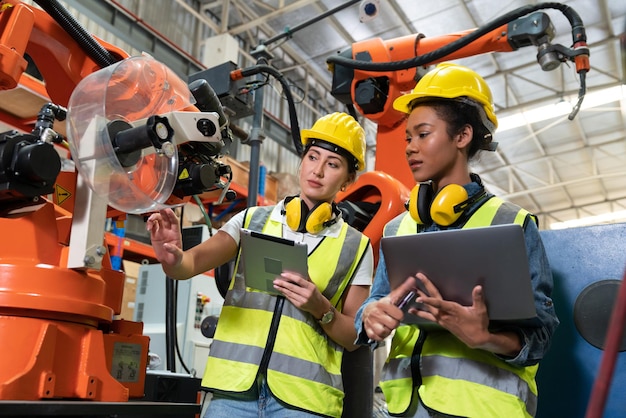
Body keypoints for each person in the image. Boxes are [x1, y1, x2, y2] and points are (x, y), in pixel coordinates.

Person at [354, 63, 559, 418]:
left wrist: (486, 337)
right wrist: (369, 316)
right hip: (403, 407)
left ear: (462, 136)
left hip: (482, 409)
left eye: (423, 134)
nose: (410, 148)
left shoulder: (512, 223)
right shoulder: (398, 227)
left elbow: (540, 338)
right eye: (408, 137)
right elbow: (374, 302)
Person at [147, 112, 374, 418]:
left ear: (348, 179)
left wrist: (320, 307)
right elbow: (189, 265)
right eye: (313, 157)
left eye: (332, 164)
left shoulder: (356, 246)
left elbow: (355, 337)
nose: (317, 170)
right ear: (302, 160)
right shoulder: (252, 220)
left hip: (303, 402)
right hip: (233, 393)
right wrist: (173, 255)